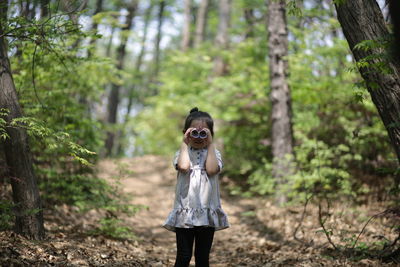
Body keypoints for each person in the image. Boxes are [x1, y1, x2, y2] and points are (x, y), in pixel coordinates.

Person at [163, 107, 230, 267]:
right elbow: (184, 167)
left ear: (211, 134)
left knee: (202, 258)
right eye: (194, 132)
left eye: (204, 133)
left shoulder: (214, 153)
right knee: (183, 256)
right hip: (185, 213)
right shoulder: (181, 153)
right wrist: (184, 143)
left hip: (207, 213)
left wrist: (211, 144)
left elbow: (213, 169)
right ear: (186, 132)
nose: (198, 137)